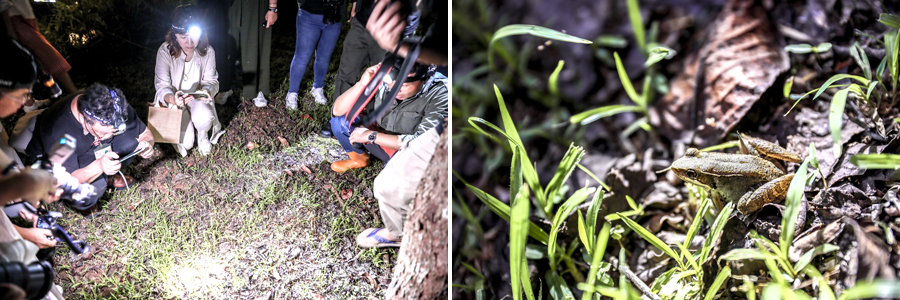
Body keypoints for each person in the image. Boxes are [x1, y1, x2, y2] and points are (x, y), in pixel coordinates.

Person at [22, 83, 154, 217]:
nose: (108, 137)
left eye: (113, 131)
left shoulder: (113, 106)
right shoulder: (58, 131)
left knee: (132, 142)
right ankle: (87, 203)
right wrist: (99, 166)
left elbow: (144, 133)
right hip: (63, 167)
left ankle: (108, 177)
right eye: (101, 133)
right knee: (89, 191)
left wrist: (148, 143)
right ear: (83, 117)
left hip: (90, 151)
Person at [329, 62, 447, 172]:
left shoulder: (442, 93)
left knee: (400, 174)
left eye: (405, 85)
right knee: (341, 120)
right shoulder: (386, 73)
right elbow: (337, 111)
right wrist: (362, 84)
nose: (396, 89)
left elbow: (422, 144)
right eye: (393, 82)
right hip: (381, 135)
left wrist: (371, 136)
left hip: (408, 151)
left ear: (425, 78)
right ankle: (359, 159)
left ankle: (395, 167)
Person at [154, 5, 225, 157]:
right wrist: (172, 98)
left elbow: (212, 81)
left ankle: (203, 135)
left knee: (204, 118)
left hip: (197, 97)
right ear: (175, 36)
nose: (189, 42)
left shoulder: (208, 51)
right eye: (183, 37)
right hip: (175, 100)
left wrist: (204, 92)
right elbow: (162, 85)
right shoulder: (164, 51)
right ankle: (186, 126)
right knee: (186, 144)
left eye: (193, 35)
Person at [0, 0, 78, 96]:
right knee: (46, 54)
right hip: (12, 17)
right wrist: (10, 29)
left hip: (21, 15)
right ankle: (73, 92)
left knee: (35, 59)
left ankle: (61, 93)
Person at [285, 0, 348, 109]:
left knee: (324, 57)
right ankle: (292, 92)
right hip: (310, 14)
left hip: (335, 16)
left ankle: (318, 87)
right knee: (302, 56)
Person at [332, 0, 386, 103]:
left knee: (382, 77)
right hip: (361, 22)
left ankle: (375, 116)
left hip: (387, 29)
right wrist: (355, 5)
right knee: (347, 70)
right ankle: (339, 116)